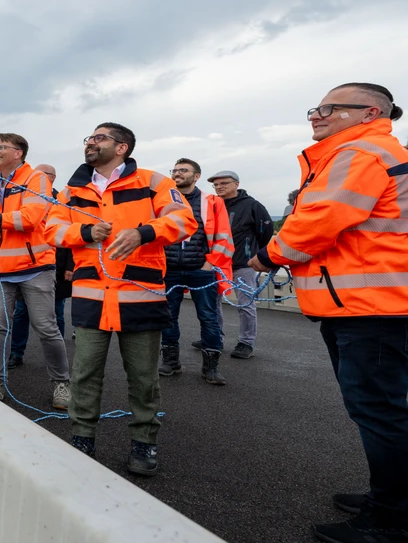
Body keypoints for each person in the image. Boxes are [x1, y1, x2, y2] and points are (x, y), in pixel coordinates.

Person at [249, 83, 407, 542]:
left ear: (368, 111)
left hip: (371, 306)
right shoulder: (366, 151)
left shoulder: (360, 154)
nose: (316, 116)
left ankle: (391, 518)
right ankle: (391, 495)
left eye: (329, 108)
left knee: (378, 410)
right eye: (315, 108)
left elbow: (318, 221)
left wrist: (269, 255)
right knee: (380, 409)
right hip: (370, 303)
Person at [45, 123, 196, 476]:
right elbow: (51, 229)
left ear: (122, 147)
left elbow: (183, 220)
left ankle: (144, 443)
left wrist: (144, 233)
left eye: (99, 138)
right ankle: (82, 439)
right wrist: (85, 231)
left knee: (143, 377)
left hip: (139, 297)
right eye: (89, 138)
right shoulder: (72, 190)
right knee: (84, 375)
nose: (91, 143)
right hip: (90, 298)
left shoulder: (153, 182)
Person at [0, 135, 71, 410]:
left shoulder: (36, 179)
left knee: (47, 328)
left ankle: (61, 383)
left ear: (19, 153)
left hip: (34, 267)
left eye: (2, 147)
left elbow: (31, 218)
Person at [158, 158, 233, 386]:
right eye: (175, 170)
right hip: (169, 269)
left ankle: (211, 366)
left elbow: (224, 237)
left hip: (201, 270)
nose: (177, 173)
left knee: (209, 318)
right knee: (168, 317)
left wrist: (209, 265)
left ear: (196, 176)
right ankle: (171, 361)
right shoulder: (162, 201)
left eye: (183, 170)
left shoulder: (212, 202)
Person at [6, 163, 76, 366]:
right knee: (21, 313)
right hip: (28, 264)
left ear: (51, 178)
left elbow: (71, 233)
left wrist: (71, 266)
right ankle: (16, 353)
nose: (35, 176)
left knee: (56, 313)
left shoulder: (62, 200)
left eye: (41, 174)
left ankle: (57, 355)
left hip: (58, 264)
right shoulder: (23, 197)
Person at [207, 170, 273, 359]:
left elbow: (266, 231)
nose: (219, 187)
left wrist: (251, 252)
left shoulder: (252, 205)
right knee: (213, 304)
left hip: (243, 264)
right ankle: (214, 338)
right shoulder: (212, 204)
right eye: (216, 185)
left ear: (236, 184)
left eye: (224, 183)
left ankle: (246, 342)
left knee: (246, 304)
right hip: (217, 263)